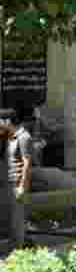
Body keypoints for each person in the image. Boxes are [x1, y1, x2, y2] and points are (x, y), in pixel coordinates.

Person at [2, 107, 34, 249]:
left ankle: (19, 250)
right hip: (9, 182)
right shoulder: (10, 137)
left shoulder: (23, 137)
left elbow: (27, 164)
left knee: (18, 219)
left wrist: (22, 186)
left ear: (8, 121)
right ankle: (15, 246)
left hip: (17, 183)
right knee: (11, 218)